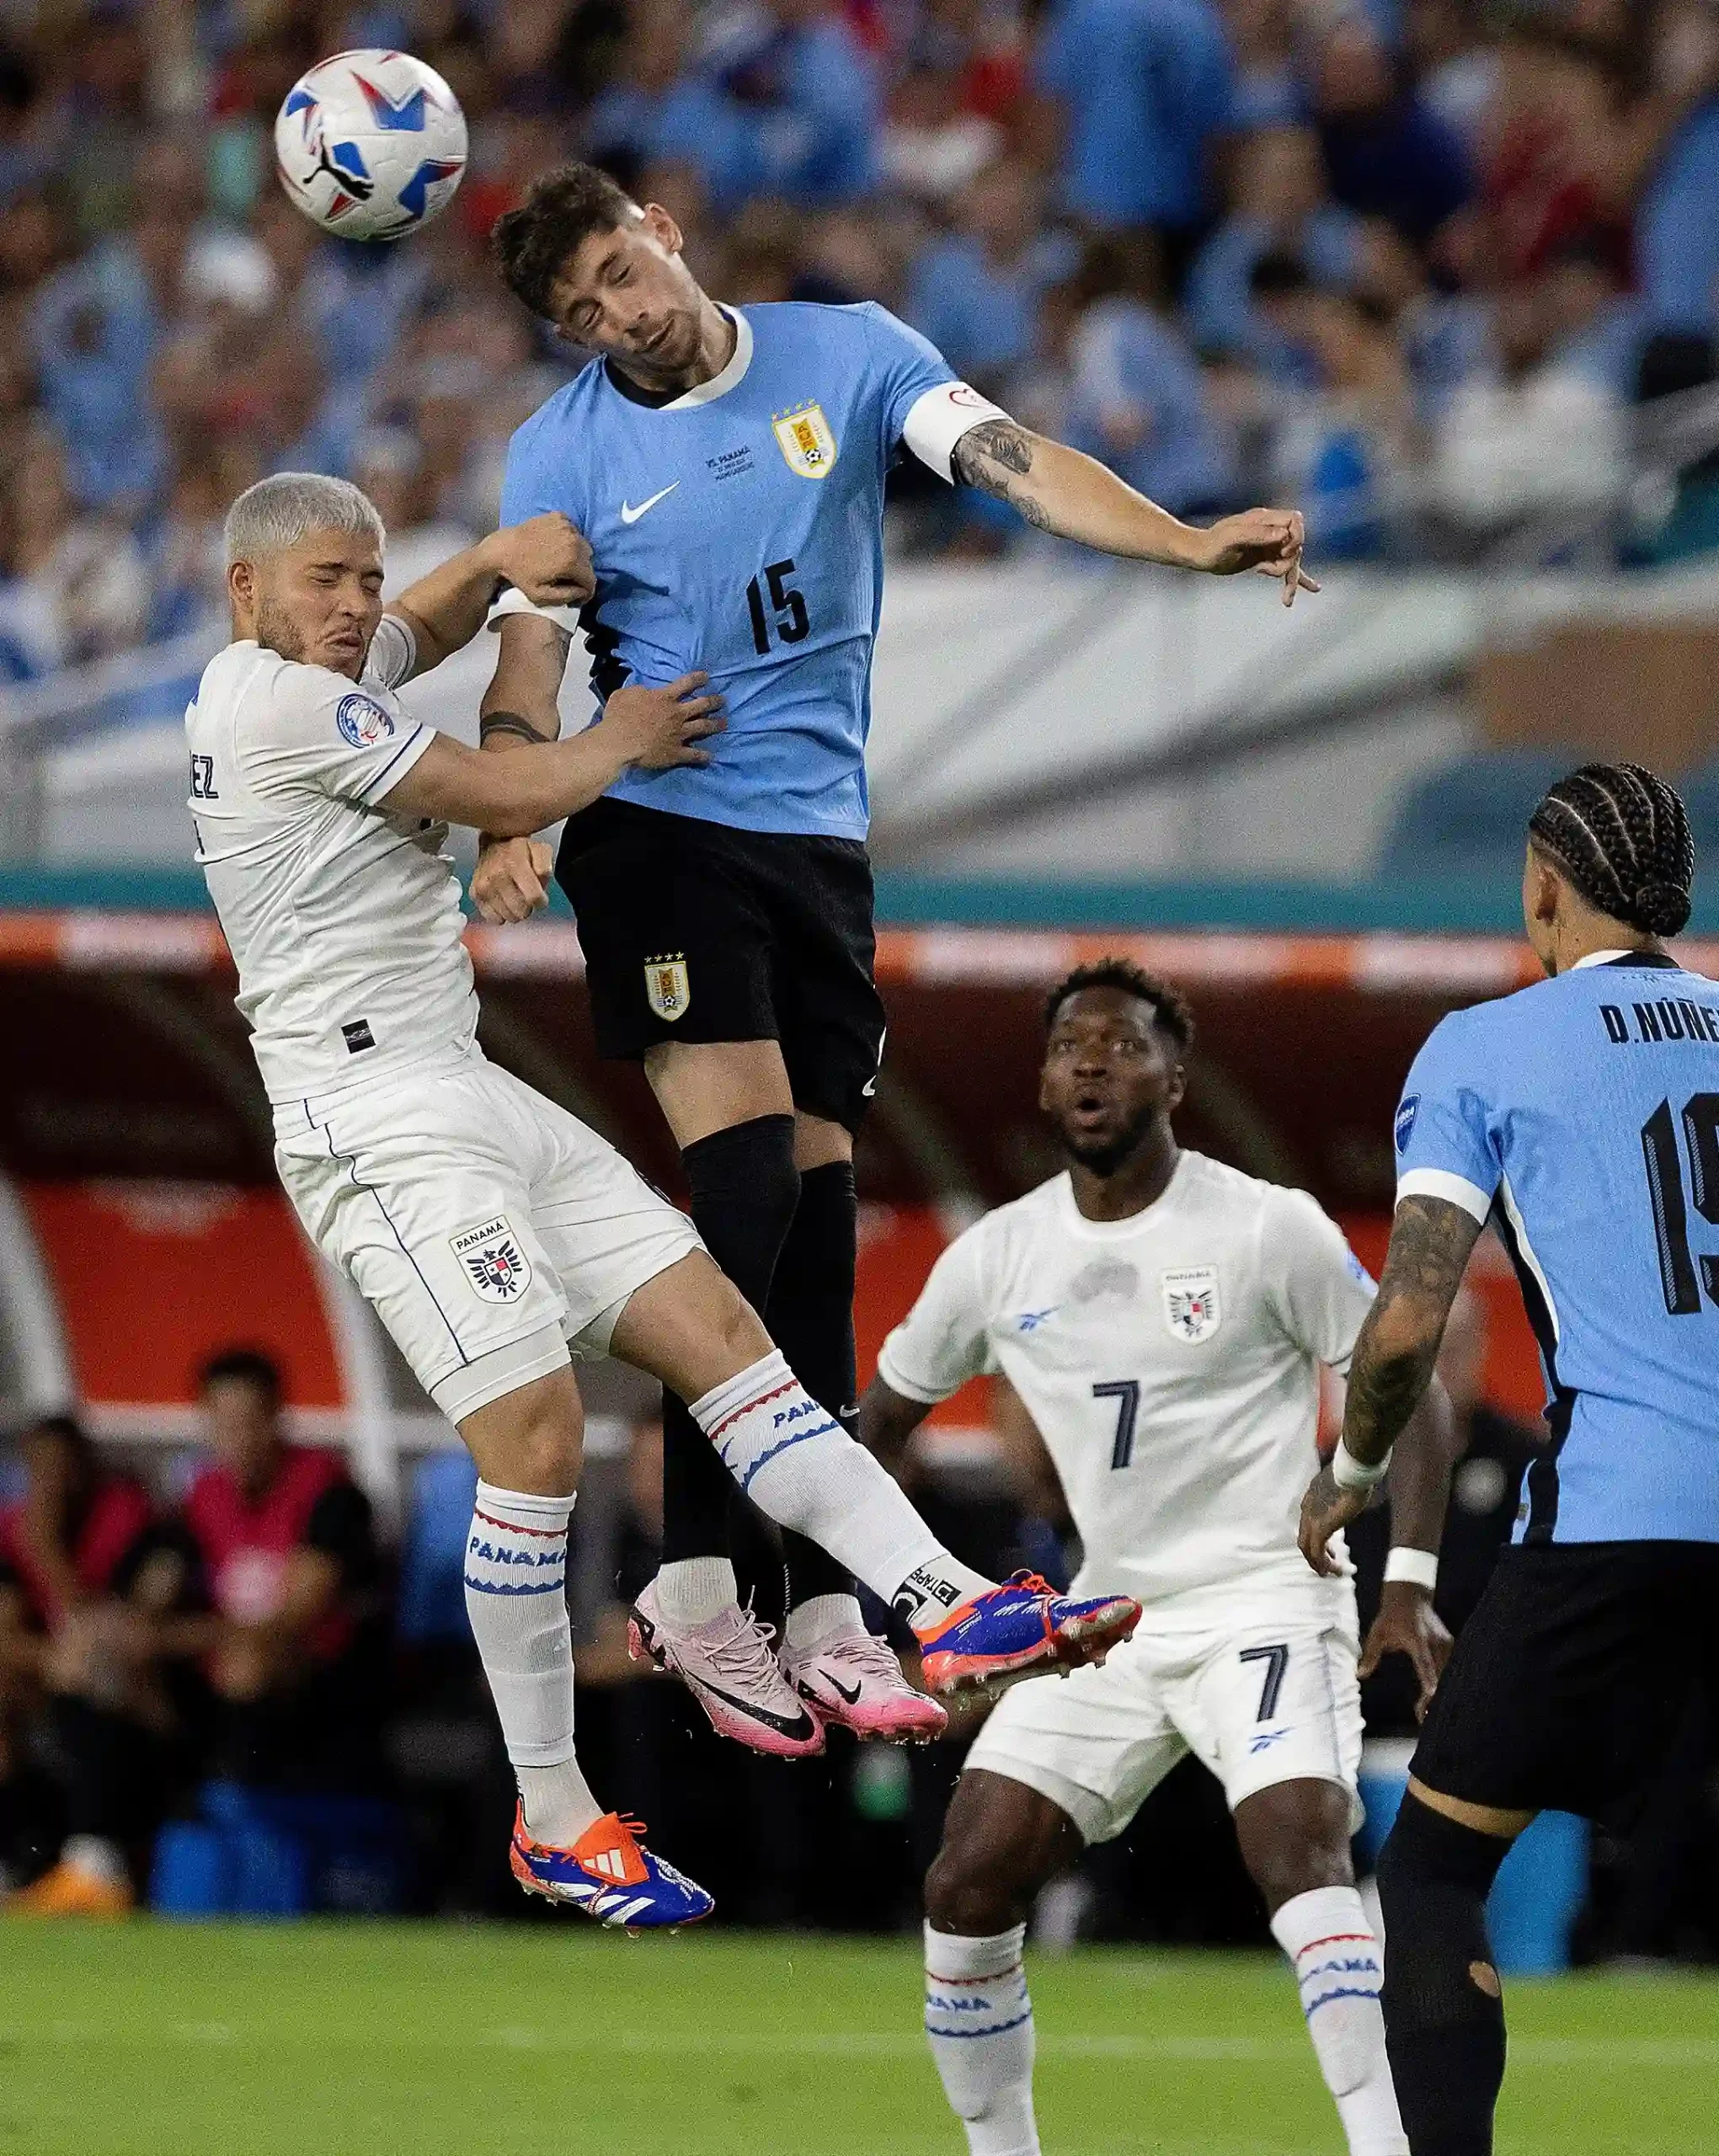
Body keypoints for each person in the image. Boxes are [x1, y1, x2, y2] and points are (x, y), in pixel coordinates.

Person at [185, 470, 1142, 1929]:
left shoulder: (315, 666)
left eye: (368, 577)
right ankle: (556, 1820)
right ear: (246, 593)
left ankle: (947, 1601)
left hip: (461, 1080)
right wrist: (614, 728)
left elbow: (425, 622)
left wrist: (495, 567)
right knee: (537, 1439)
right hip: (371, 1118)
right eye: (328, 581)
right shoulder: (268, 704)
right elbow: (501, 788)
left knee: (720, 1330)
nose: (361, 606)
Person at [472, 164, 1316, 1759]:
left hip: (812, 848)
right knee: (741, 1190)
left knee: (817, 1212)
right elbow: (523, 663)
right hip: (657, 824)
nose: (615, 322)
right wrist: (521, 804)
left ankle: (811, 1600)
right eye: (576, 313)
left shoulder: (847, 354)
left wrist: (1189, 547)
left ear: (664, 224)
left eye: (614, 277)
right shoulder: (563, 447)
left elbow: (1017, 466)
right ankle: (694, 1577)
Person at [862, 958, 1460, 2156]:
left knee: (1297, 1848)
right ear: (1040, 1084)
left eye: (1122, 1045)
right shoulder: (996, 1257)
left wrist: (1408, 1585)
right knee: (963, 1882)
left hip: (1265, 1596)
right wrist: (925, 1608)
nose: (1092, 1061)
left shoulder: (1265, 1225)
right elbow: (870, 1433)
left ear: (1175, 1079)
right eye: (1070, 1047)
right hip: (1106, 1622)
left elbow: (1417, 1394)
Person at [1299, 762, 1716, 2156]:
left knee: (1430, 1871)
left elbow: (1410, 1317)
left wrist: (1352, 1472)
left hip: (1620, 1515)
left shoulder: (1485, 1047)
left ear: (1540, 887)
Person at [177, 1350, 386, 1796]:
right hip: (223, 1658)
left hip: (319, 1669)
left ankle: (246, 1818)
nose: (239, 1439)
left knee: (249, 1666)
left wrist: (187, 1636)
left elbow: (294, 1619)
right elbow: (156, 1592)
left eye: (250, 1421)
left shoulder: (331, 1495)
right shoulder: (198, 1498)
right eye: (223, 1424)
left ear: (276, 1415)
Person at [0, 1414, 174, 1915]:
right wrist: (47, 1658)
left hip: (138, 1705)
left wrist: (48, 1550)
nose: (54, 1484)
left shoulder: (133, 1521)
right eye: (41, 1470)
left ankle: (97, 1865)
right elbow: (7, 1631)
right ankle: (14, 1859)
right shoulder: (13, 1530)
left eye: (64, 1468)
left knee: (92, 1664)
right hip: (51, 1690)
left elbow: (119, 1629)